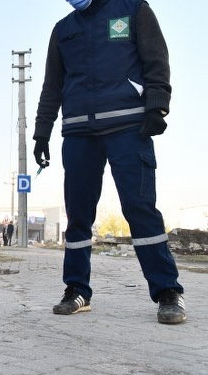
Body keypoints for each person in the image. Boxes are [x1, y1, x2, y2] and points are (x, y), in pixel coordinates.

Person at [33, 0, 185, 324]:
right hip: (78, 133)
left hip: (129, 127)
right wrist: (41, 133)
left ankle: (168, 292)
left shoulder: (133, 10)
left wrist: (157, 106)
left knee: (140, 209)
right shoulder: (63, 30)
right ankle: (77, 290)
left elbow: (156, 61)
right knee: (77, 216)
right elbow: (52, 86)